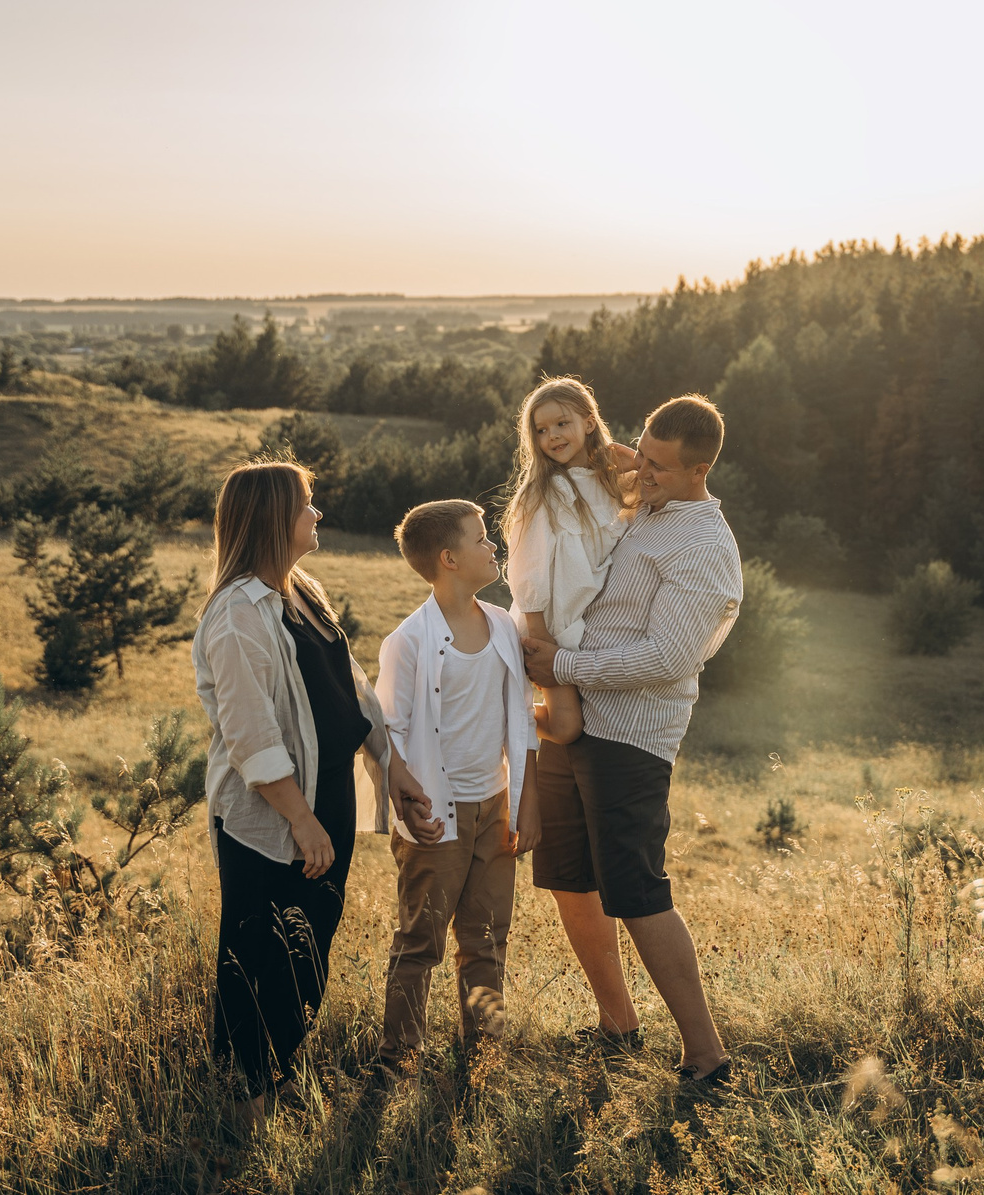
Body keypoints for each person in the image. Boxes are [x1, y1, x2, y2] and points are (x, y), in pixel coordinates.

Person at [192, 460, 439, 1118]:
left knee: (309, 941)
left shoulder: (301, 591)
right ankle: (253, 1095)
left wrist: (394, 766)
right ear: (276, 516)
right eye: (308, 503)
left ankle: (286, 1071)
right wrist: (300, 821)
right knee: (258, 947)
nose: (319, 513)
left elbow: (350, 688)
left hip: (323, 796)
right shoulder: (238, 616)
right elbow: (250, 736)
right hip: (270, 812)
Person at [521, 393, 742, 1086]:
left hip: (629, 733)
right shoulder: (644, 495)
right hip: (569, 716)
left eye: (658, 467)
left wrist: (563, 666)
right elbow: (602, 466)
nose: (639, 471)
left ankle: (706, 1054)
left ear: (700, 469)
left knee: (636, 888)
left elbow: (667, 657)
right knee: (568, 876)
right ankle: (617, 1023)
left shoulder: (703, 545)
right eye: (640, 454)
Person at [374, 499, 543, 1064]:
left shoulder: (502, 625)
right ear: (449, 558)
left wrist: (527, 799)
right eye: (480, 538)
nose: (491, 546)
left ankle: (485, 1054)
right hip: (435, 817)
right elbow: (388, 736)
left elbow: (521, 716)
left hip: (496, 807)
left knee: (488, 938)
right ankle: (400, 1057)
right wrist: (405, 808)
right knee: (421, 941)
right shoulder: (409, 642)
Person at [499, 376, 635, 746]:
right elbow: (526, 572)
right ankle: (496, 709)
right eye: (541, 430)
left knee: (587, 718)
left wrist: (622, 456)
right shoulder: (542, 492)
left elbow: (647, 477)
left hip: (579, 631)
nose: (553, 436)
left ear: (589, 422)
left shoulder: (604, 484)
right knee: (566, 726)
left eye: (563, 423)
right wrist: (541, 640)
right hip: (547, 628)